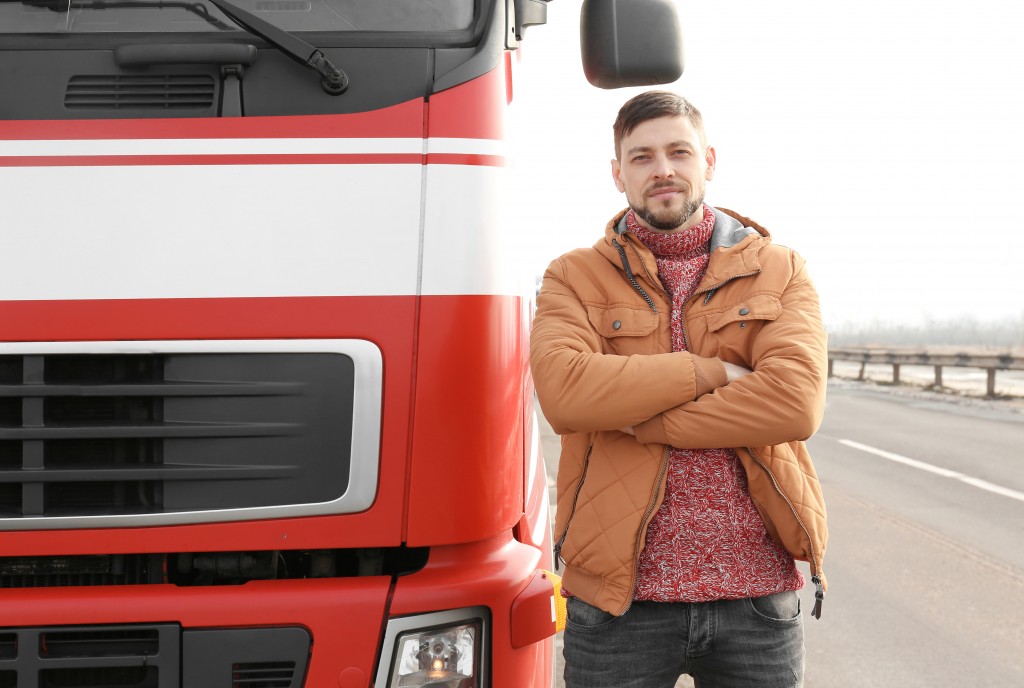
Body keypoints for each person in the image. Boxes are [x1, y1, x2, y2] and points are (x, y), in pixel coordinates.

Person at [530, 90, 829, 688]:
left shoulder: (780, 268)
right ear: (618, 174)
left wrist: (641, 419)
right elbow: (566, 395)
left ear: (708, 161)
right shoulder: (573, 275)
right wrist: (710, 372)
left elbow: (794, 403)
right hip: (620, 603)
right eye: (641, 157)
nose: (662, 169)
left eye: (678, 152)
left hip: (757, 596)